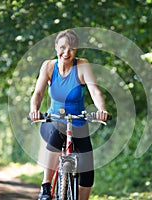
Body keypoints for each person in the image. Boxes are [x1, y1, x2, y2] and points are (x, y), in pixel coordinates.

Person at [29, 29, 108, 200]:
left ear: (76, 50)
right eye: (63, 47)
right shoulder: (49, 66)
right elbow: (38, 93)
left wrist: (101, 110)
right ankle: (45, 187)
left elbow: (95, 90)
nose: (67, 52)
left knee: (87, 169)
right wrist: (34, 109)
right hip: (52, 121)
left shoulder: (82, 66)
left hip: (78, 123)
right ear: (56, 47)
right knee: (59, 132)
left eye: (72, 48)